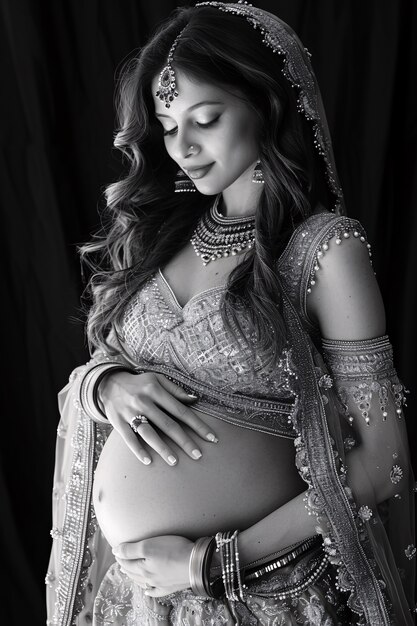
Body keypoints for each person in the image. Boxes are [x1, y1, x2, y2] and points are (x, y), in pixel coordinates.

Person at [46, 2, 416, 624]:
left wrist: (212, 564)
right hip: (139, 601)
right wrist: (105, 386)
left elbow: (384, 463)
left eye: (206, 119)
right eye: (166, 127)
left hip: (265, 596)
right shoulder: (158, 235)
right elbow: (98, 370)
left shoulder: (324, 250)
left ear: (266, 105)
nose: (182, 147)